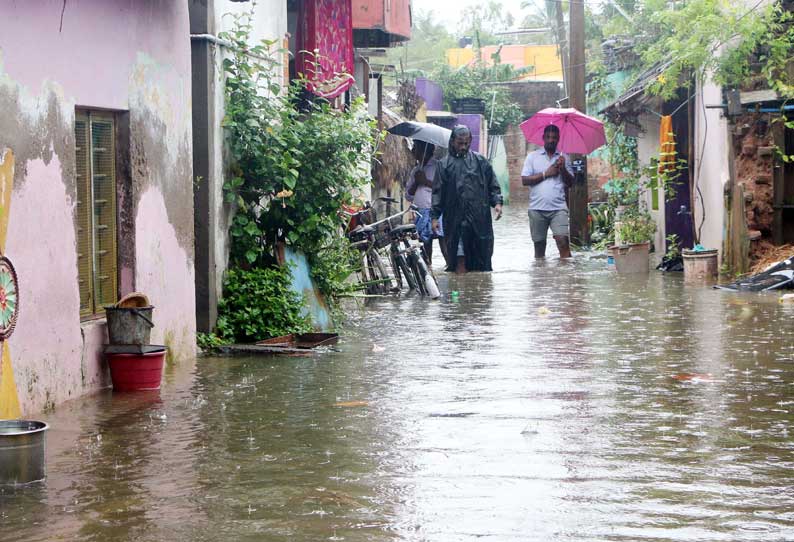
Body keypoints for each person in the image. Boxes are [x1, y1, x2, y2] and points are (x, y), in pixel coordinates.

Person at [431, 125, 503, 273]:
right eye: (460, 143)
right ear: (452, 142)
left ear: (470, 141)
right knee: (459, 261)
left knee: (481, 262)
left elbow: (493, 185)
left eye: (466, 143)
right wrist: (434, 217)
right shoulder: (444, 165)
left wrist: (497, 203)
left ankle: (476, 294)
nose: (463, 146)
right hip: (455, 221)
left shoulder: (481, 162)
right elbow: (438, 193)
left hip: (479, 220)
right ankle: (461, 292)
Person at [521, 124, 574, 258]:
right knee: (539, 249)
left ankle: (568, 277)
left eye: (554, 138)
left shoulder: (564, 158)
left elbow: (571, 183)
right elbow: (525, 180)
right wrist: (546, 173)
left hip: (558, 208)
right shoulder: (532, 157)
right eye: (548, 137)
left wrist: (563, 169)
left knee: (563, 243)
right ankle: (542, 277)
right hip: (537, 209)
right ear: (543, 138)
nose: (551, 140)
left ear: (558, 139)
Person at [405, 141, 446, 267]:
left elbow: (444, 189)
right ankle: (428, 270)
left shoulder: (439, 167)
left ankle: (451, 270)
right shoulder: (416, 170)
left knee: (443, 242)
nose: (413, 151)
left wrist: (426, 181)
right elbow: (408, 195)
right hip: (421, 212)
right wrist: (417, 182)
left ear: (427, 150)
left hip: (437, 211)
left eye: (416, 148)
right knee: (424, 244)